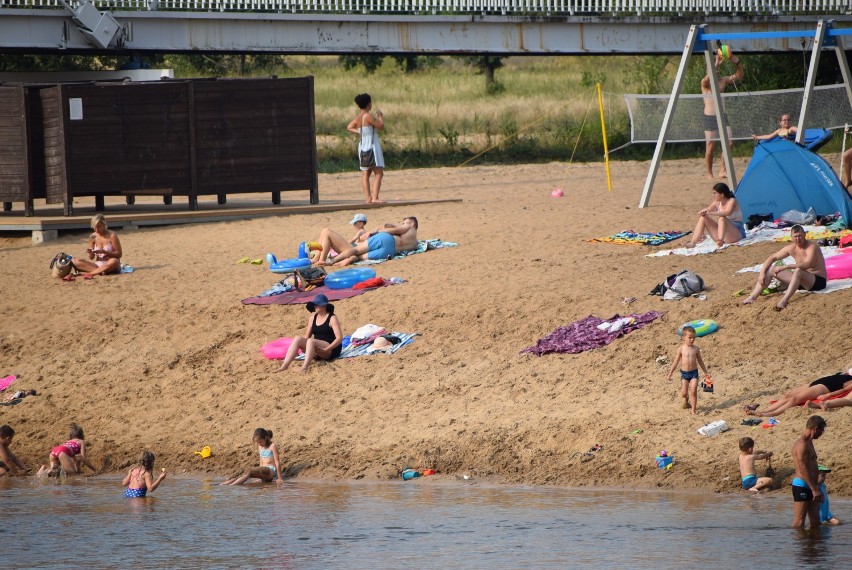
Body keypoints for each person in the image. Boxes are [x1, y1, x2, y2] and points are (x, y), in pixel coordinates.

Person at [742, 224, 827, 310]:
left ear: (805, 234)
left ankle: (784, 300)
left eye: (800, 236)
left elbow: (807, 265)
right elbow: (772, 257)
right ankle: (752, 297)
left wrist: (786, 266)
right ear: (791, 237)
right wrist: (762, 273)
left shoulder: (812, 247)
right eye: (795, 237)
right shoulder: (791, 248)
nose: (798, 239)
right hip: (799, 281)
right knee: (771, 269)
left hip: (817, 281)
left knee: (798, 271)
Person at [701, 48, 744, 180]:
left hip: (722, 116)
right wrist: (716, 63)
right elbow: (708, 78)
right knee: (710, 145)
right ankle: (709, 173)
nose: (716, 71)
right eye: (713, 69)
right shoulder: (705, 83)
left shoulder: (723, 81)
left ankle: (722, 170)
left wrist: (736, 61)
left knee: (729, 143)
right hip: (710, 117)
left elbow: (739, 75)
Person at [276, 294, 343, 373]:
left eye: (317, 305)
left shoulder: (332, 318)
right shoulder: (313, 318)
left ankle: (304, 367)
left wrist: (326, 349)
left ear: (324, 305)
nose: (315, 306)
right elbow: (307, 336)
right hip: (317, 348)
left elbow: (339, 338)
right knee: (298, 338)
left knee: (311, 341)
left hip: (330, 349)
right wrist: (305, 348)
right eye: (314, 305)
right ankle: (285, 366)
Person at [315, 217, 419, 267]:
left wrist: (379, 231)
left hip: (384, 240)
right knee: (358, 256)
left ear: (412, 223)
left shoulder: (410, 226)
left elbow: (396, 230)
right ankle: (349, 259)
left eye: (405, 222)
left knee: (326, 231)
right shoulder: (415, 242)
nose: (403, 224)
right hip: (389, 252)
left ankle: (326, 260)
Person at [746, 369, 852, 417]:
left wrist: (828, 395)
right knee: (788, 396)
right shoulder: (847, 371)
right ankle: (764, 410)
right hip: (820, 381)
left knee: (795, 399)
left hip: (825, 387)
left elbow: (845, 390)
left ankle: (772, 413)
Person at [347, 93, 385, 204]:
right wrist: (380, 117)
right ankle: (375, 197)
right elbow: (380, 126)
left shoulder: (358, 117)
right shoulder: (368, 116)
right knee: (378, 172)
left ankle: (368, 198)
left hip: (363, 145)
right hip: (372, 146)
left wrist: (360, 132)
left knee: (365, 173)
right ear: (369, 104)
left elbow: (349, 127)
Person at [790, 415, 826, 529]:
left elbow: (810, 465)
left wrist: (817, 485)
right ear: (815, 428)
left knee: (816, 522)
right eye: (821, 430)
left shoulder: (809, 442)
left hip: (812, 485)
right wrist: (814, 489)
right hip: (802, 485)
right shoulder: (802, 444)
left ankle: (814, 547)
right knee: (799, 523)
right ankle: (801, 546)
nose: (822, 433)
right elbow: (802, 467)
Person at [686, 182, 746, 248]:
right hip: (723, 233)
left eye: (715, 193)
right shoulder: (717, 203)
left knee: (722, 218)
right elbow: (708, 210)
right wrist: (702, 212)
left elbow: (728, 212)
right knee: (703, 218)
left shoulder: (732, 200)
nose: (713, 195)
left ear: (722, 194)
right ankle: (693, 243)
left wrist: (711, 213)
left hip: (736, 233)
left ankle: (720, 240)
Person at [666, 326, 709, 415]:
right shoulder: (681, 349)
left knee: (693, 390)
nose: (692, 339)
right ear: (683, 337)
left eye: (693, 337)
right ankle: (686, 400)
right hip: (684, 374)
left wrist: (705, 372)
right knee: (684, 393)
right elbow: (676, 362)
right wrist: (670, 373)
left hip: (694, 373)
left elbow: (700, 361)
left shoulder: (696, 349)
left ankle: (693, 410)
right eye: (689, 337)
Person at [71, 214, 122, 278]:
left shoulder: (112, 235)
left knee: (114, 261)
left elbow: (119, 254)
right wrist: (91, 253)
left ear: (104, 225)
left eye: (99, 227)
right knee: (75, 261)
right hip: (98, 265)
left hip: (111, 265)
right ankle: (101, 272)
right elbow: (91, 258)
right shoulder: (92, 236)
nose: (96, 230)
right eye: (95, 227)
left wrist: (105, 252)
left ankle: (90, 273)